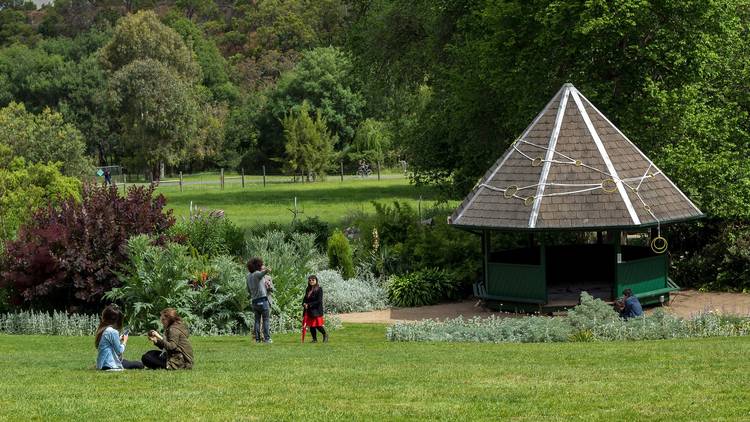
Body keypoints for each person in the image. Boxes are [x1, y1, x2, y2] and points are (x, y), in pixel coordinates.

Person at [95, 304, 143, 370]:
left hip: (101, 364)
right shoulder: (113, 331)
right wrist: (124, 341)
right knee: (140, 364)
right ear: (118, 320)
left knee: (129, 362)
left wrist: (119, 338)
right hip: (111, 364)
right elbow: (119, 351)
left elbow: (107, 343)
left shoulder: (103, 330)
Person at [246, 257, 273, 343]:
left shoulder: (248, 276)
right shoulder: (257, 273)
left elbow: (248, 290)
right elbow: (263, 273)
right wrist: (267, 269)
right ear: (258, 265)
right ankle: (267, 339)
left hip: (254, 301)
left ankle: (257, 339)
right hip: (263, 299)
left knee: (257, 320)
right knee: (265, 319)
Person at [302, 274, 328, 343]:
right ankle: (314, 339)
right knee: (311, 326)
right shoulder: (308, 289)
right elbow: (305, 299)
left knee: (318, 325)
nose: (311, 281)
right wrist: (304, 303)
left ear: (316, 281)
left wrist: (309, 304)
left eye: (313, 280)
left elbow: (319, 301)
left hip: (316, 310)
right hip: (309, 311)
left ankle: (325, 335)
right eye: (310, 280)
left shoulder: (319, 289)